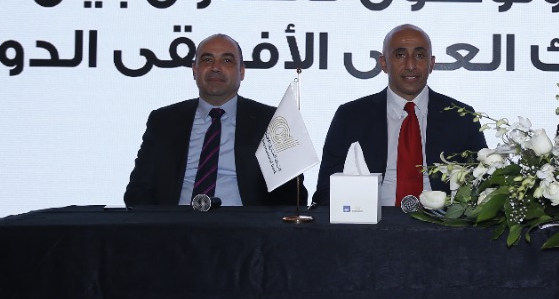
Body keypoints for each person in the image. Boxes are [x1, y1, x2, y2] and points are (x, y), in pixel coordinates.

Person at [124, 33, 307, 207]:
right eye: (207, 59)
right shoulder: (164, 121)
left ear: (241, 71)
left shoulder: (271, 121)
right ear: (195, 70)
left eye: (227, 60)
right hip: (177, 224)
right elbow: (139, 190)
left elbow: (292, 196)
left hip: (245, 225)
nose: (215, 68)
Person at [314, 24, 487, 206]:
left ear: (431, 63)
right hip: (371, 221)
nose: (411, 65)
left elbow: (482, 186)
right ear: (383, 63)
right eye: (400, 55)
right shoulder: (350, 116)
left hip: (442, 221)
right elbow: (327, 190)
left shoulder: (461, 117)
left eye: (419, 56)